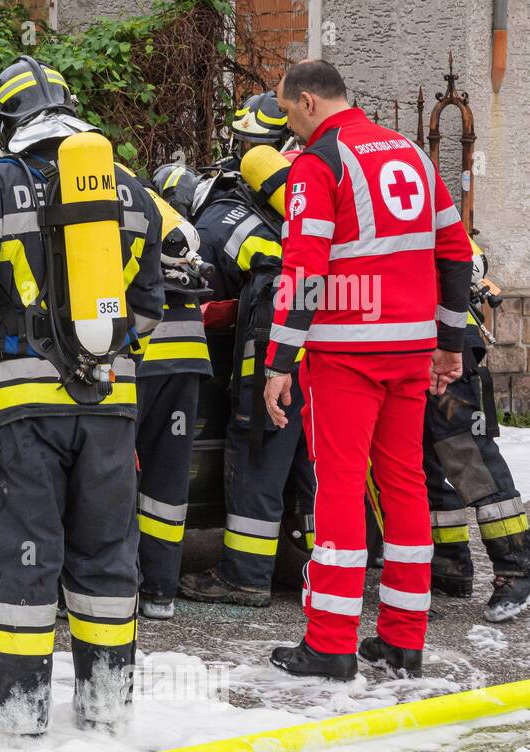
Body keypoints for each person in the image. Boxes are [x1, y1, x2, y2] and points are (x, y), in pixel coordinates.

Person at [0, 56, 164, 736]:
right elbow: (148, 310)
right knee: (106, 553)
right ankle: (106, 710)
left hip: (23, 407)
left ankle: (16, 715)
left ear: (5, 123)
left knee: (22, 553)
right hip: (110, 406)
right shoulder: (132, 193)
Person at [263, 59, 471, 679]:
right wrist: (448, 341)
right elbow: (455, 253)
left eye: (286, 112)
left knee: (341, 488)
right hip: (410, 350)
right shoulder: (409, 152)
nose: (288, 126)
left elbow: (304, 268)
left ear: (307, 102)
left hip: (347, 354)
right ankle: (404, 639)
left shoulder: (319, 162)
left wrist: (279, 359)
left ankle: (329, 644)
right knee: (404, 484)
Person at [165, 155, 310, 607]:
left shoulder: (207, 226)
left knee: (258, 440)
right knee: (309, 451)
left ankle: (244, 576)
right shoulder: (251, 206)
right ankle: (319, 568)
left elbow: (194, 292)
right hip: (313, 318)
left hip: (270, 331)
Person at [425, 239, 530, 621]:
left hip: (447, 347)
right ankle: (450, 566)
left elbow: (465, 264)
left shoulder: (421, 213)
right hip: (416, 347)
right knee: (425, 465)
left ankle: (516, 568)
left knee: (469, 459)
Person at [133, 191, 214, 619]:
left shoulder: (117, 202)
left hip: (142, 356)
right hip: (187, 356)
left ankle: (119, 587)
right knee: (168, 481)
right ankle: (160, 593)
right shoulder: (160, 214)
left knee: (114, 477)